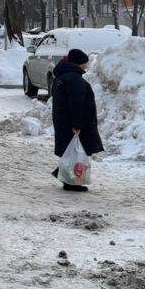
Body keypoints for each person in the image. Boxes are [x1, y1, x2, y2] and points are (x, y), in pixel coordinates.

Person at [51, 48, 103, 192]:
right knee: (76, 150)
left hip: (63, 119)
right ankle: (70, 182)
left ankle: (62, 173)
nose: (86, 66)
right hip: (74, 121)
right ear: (78, 63)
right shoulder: (74, 78)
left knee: (71, 150)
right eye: (84, 63)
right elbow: (76, 102)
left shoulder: (62, 76)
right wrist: (77, 124)